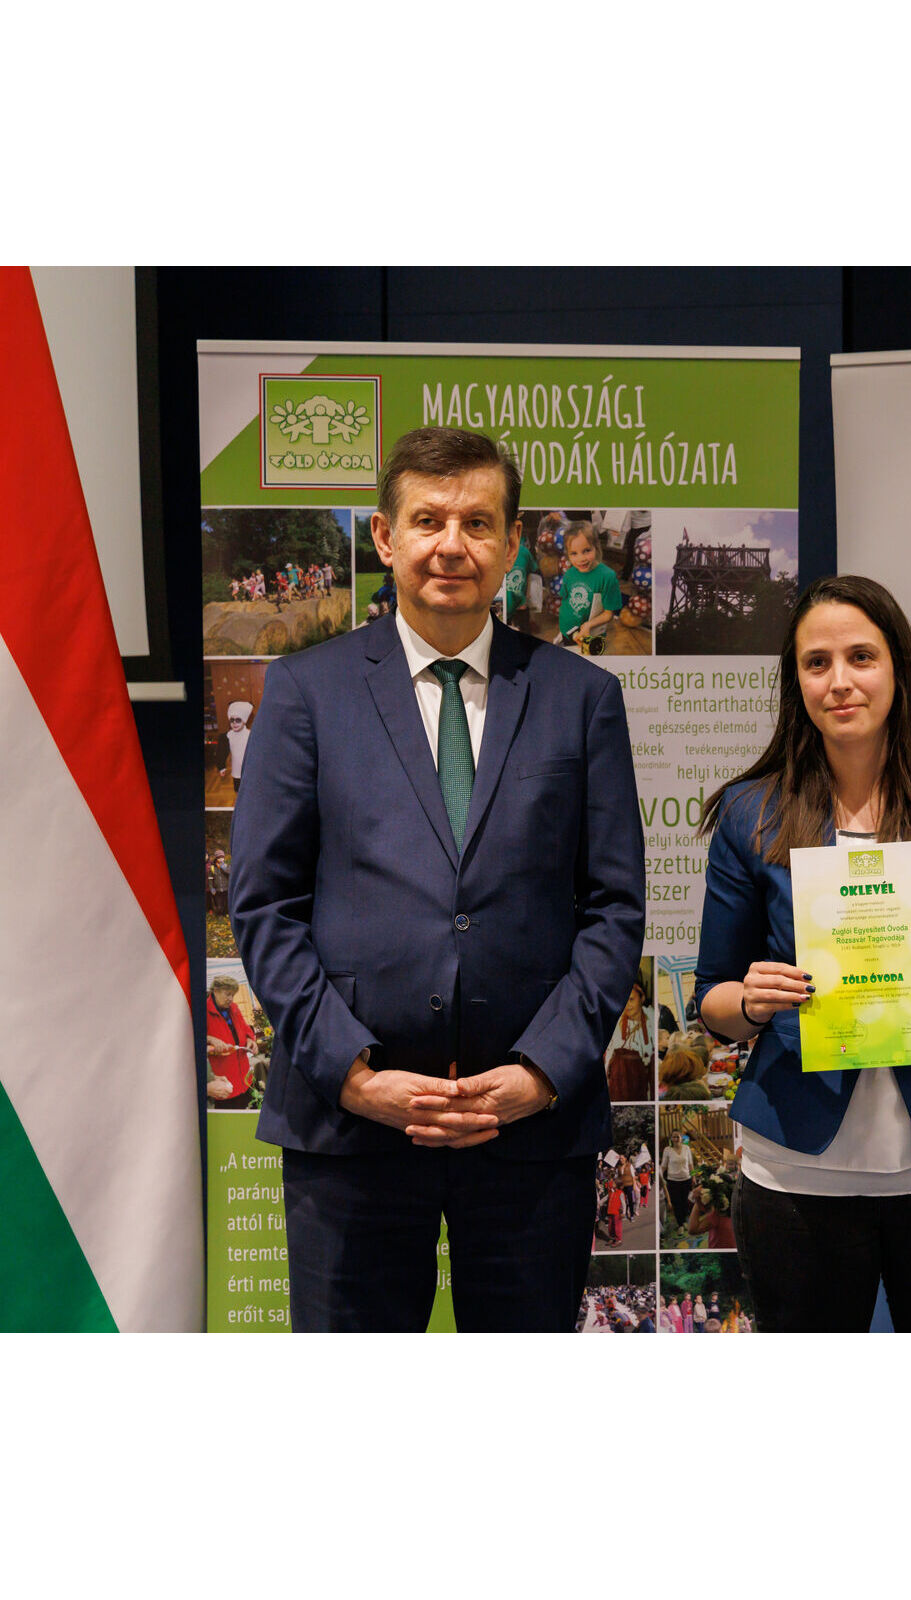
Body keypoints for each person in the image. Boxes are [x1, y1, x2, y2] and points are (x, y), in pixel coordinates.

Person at [229, 426, 646, 1332]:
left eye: (476, 523)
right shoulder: (305, 691)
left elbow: (614, 908)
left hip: (530, 1130)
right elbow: (263, 905)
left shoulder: (581, 698)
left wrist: (544, 1069)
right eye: (428, 521)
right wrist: (349, 1073)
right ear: (386, 537)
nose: (451, 545)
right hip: (351, 1127)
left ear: (511, 542)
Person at [693, 574, 911, 1332]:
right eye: (816, 663)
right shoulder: (751, 812)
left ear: (899, 669)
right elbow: (713, 998)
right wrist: (750, 1000)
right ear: (796, 681)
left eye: (861, 657)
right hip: (797, 1167)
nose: (840, 681)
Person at [556, 523, 621, 652]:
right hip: (566, 629)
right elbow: (565, 600)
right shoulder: (569, 573)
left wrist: (589, 625)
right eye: (574, 553)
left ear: (596, 547)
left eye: (586, 550)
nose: (581, 559)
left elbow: (609, 614)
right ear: (568, 554)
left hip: (591, 633)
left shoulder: (608, 576)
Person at [204, 975, 256, 1109]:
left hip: (245, 1079)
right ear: (215, 991)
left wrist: (250, 1039)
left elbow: (245, 1028)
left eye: (233, 995)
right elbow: (192, 1040)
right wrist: (209, 1038)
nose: (231, 999)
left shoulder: (234, 1008)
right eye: (228, 994)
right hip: (225, 1084)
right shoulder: (203, 1011)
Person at [604, 977, 652, 1101]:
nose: (627, 1005)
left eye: (631, 999)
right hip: (620, 1082)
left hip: (644, 1084)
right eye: (624, 1000)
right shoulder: (616, 1022)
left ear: (642, 998)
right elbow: (608, 1055)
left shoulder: (652, 1019)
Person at [217, 700, 252, 793]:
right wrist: (221, 766)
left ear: (244, 721)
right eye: (232, 720)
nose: (234, 723)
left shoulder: (251, 735)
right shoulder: (228, 736)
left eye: (238, 720)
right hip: (236, 771)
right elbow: (222, 751)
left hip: (250, 770)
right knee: (239, 791)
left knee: (250, 791)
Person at [662, 1130, 695, 1225]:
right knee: (677, 1203)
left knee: (685, 1202)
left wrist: (693, 1177)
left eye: (678, 1137)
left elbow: (690, 1164)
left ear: (681, 1138)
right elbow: (664, 1165)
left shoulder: (686, 1148)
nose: (676, 1139)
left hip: (686, 1179)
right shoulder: (667, 1150)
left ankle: (684, 1221)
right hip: (673, 1181)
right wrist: (659, 1176)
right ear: (671, 1139)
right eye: (674, 1137)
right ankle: (680, 1223)